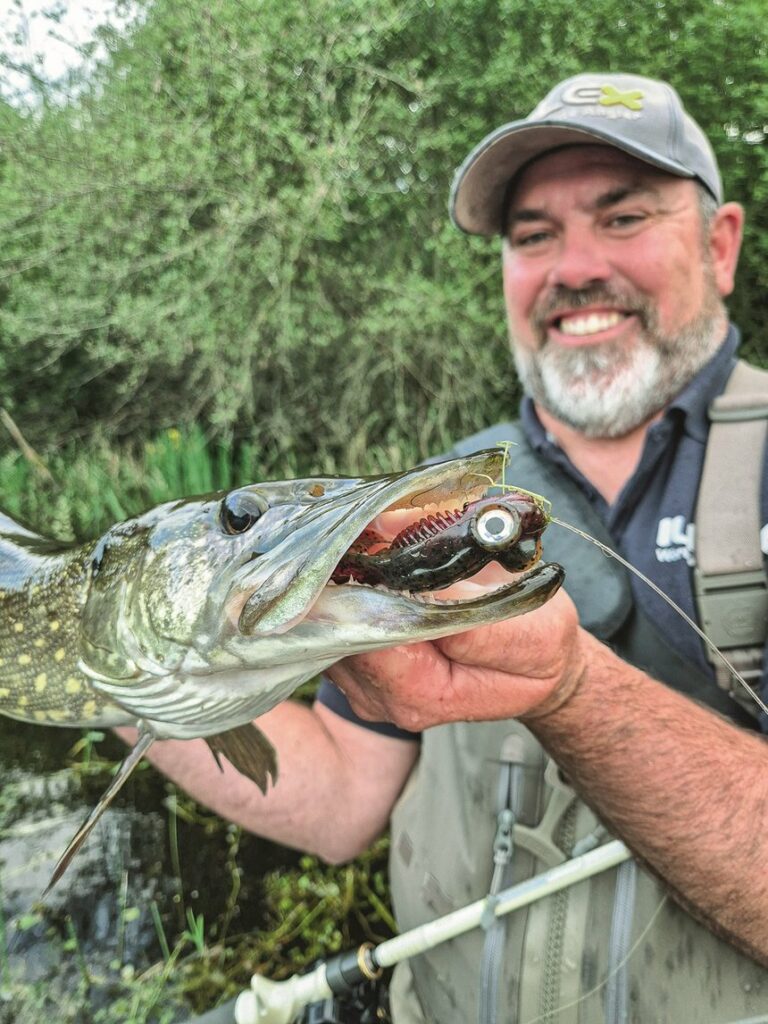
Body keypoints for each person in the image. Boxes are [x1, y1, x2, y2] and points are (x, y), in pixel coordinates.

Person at [135, 73, 768, 1021]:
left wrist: (574, 690)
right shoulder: (434, 492)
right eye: (532, 236)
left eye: (623, 217)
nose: (574, 267)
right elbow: (341, 797)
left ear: (720, 245)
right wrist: (112, 666)